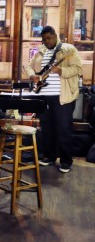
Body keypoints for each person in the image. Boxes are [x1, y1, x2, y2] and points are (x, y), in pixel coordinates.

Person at [25, 25, 82, 173]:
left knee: (63, 129)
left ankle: (66, 161)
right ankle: (49, 156)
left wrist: (61, 70)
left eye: (49, 38)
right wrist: (33, 76)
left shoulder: (68, 50)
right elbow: (28, 66)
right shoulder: (41, 51)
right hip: (44, 97)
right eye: (44, 39)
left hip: (63, 97)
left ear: (55, 36)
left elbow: (77, 69)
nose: (46, 42)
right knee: (47, 129)